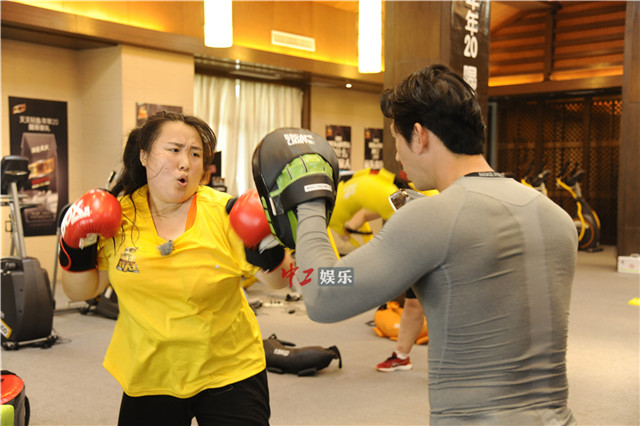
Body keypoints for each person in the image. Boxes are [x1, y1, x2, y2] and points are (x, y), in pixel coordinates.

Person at [259, 65, 579, 424]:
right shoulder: (557, 218)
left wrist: (308, 203)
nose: (398, 156)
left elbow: (324, 290)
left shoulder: (432, 217)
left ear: (419, 135)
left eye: (396, 139)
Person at [59, 111, 290, 425]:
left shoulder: (224, 212)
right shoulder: (118, 217)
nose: (186, 163)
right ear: (144, 155)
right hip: (151, 374)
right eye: (174, 150)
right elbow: (81, 291)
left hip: (230, 370)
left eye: (195, 154)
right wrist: (75, 244)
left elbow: (281, 281)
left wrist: (267, 244)